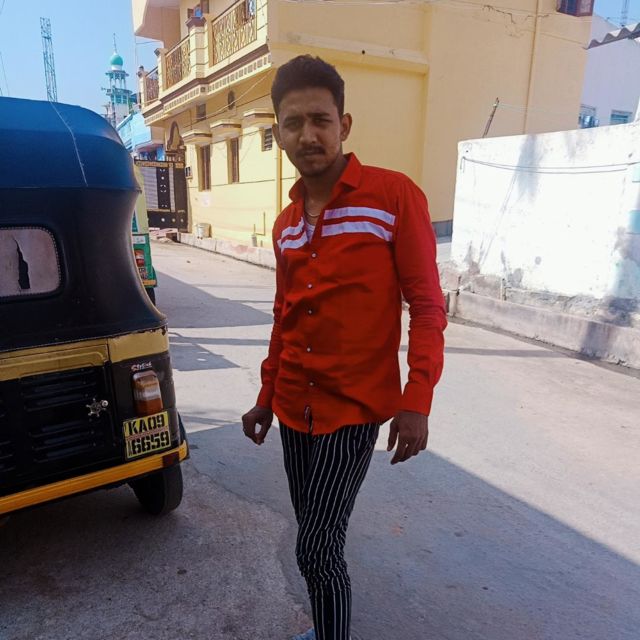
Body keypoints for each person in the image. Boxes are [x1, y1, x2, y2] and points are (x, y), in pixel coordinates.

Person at [241, 55, 447, 640]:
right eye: (293, 122)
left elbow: (427, 305)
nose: (308, 135)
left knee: (317, 546)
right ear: (278, 133)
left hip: (351, 410)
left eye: (321, 120)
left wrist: (417, 399)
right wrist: (265, 397)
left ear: (344, 125)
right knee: (315, 535)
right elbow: (283, 318)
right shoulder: (285, 224)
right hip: (292, 408)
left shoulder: (393, 197)